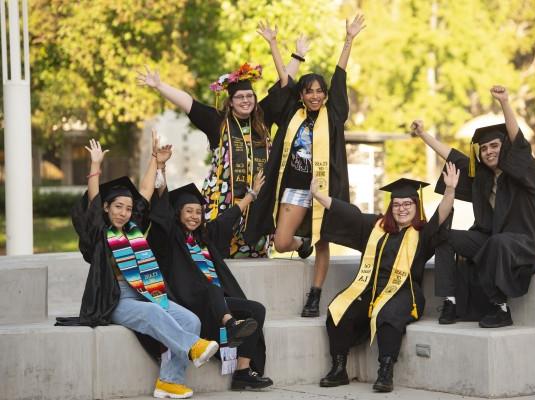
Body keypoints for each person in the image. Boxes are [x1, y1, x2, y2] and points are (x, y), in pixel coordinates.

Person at [65, 134, 219, 399]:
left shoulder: (134, 229)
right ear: (106, 208)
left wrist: (155, 161)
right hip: (115, 300)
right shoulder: (99, 233)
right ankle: (192, 347)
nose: (123, 212)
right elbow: (92, 203)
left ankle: (169, 381)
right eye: (117, 207)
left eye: (127, 208)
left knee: (190, 319)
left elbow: (145, 193)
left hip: (148, 292)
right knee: (152, 314)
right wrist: (95, 166)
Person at [136, 31, 309, 259]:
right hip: (221, 202)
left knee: (254, 253)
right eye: (240, 97)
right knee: (218, 254)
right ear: (231, 101)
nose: (245, 100)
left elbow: (283, 88)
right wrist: (160, 86)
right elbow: (188, 103)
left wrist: (297, 56)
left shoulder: (263, 119)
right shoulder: (217, 122)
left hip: (257, 203)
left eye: (250, 96)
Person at [244, 15, 366, 317]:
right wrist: (274, 44)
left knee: (323, 241)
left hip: (323, 189)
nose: (314, 95)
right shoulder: (292, 113)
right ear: (302, 95)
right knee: (282, 242)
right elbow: (284, 81)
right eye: (309, 91)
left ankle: (315, 295)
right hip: (296, 188)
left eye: (319, 91)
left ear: (325, 96)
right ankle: (302, 244)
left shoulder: (334, 113)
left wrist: (348, 39)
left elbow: (340, 75)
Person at [311, 161, 459, 393]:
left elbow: (441, 214)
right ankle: (338, 369)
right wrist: (319, 195)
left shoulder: (423, 234)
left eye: (407, 204)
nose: (402, 208)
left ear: (416, 206)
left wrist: (449, 190)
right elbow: (351, 214)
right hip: (369, 290)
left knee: (389, 315)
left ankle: (386, 371)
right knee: (339, 309)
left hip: (405, 293)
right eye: (397, 204)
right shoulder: (376, 227)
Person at [413, 85, 535, 328]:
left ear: (505, 147)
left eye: (494, 146)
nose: (488, 151)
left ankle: (500, 308)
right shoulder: (482, 179)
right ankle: (450, 301)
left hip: (523, 242)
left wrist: (504, 102)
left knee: (497, 243)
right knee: (445, 237)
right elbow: (454, 157)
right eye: (483, 148)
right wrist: (424, 135)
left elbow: (518, 143)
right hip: (492, 239)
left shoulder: (526, 173)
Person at [146, 143, 273, 390]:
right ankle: (230, 324)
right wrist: (161, 166)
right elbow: (160, 208)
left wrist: (252, 194)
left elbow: (229, 217)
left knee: (256, 310)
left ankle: (242, 372)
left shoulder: (205, 236)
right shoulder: (170, 237)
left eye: (198, 212)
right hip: (189, 301)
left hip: (214, 302)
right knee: (211, 286)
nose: (194, 216)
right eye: (188, 211)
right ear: (178, 214)